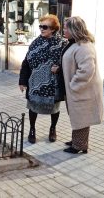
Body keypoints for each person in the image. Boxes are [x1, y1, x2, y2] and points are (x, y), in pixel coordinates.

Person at [19, 14, 67, 144]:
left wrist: (59, 69)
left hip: (53, 83)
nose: (41, 29)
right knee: (33, 107)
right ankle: (32, 130)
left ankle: (53, 129)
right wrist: (22, 81)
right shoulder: (35, 43)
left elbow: (69, 64)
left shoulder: (63, 43)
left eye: (44, 27)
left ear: (53, 29)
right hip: (35, 83)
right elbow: (26, 62)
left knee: (54, 108)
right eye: (40, 26)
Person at [60, 16, 104, 154]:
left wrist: (74, 85)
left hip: (83, 91)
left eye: (66, 28)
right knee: (78, 116)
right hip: (78, 91)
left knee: (82, 118)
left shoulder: (84, 47)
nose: (64, 30)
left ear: (74, 30)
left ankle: (79, 146)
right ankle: (78, 141)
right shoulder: (75, 43)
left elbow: (86, 71)